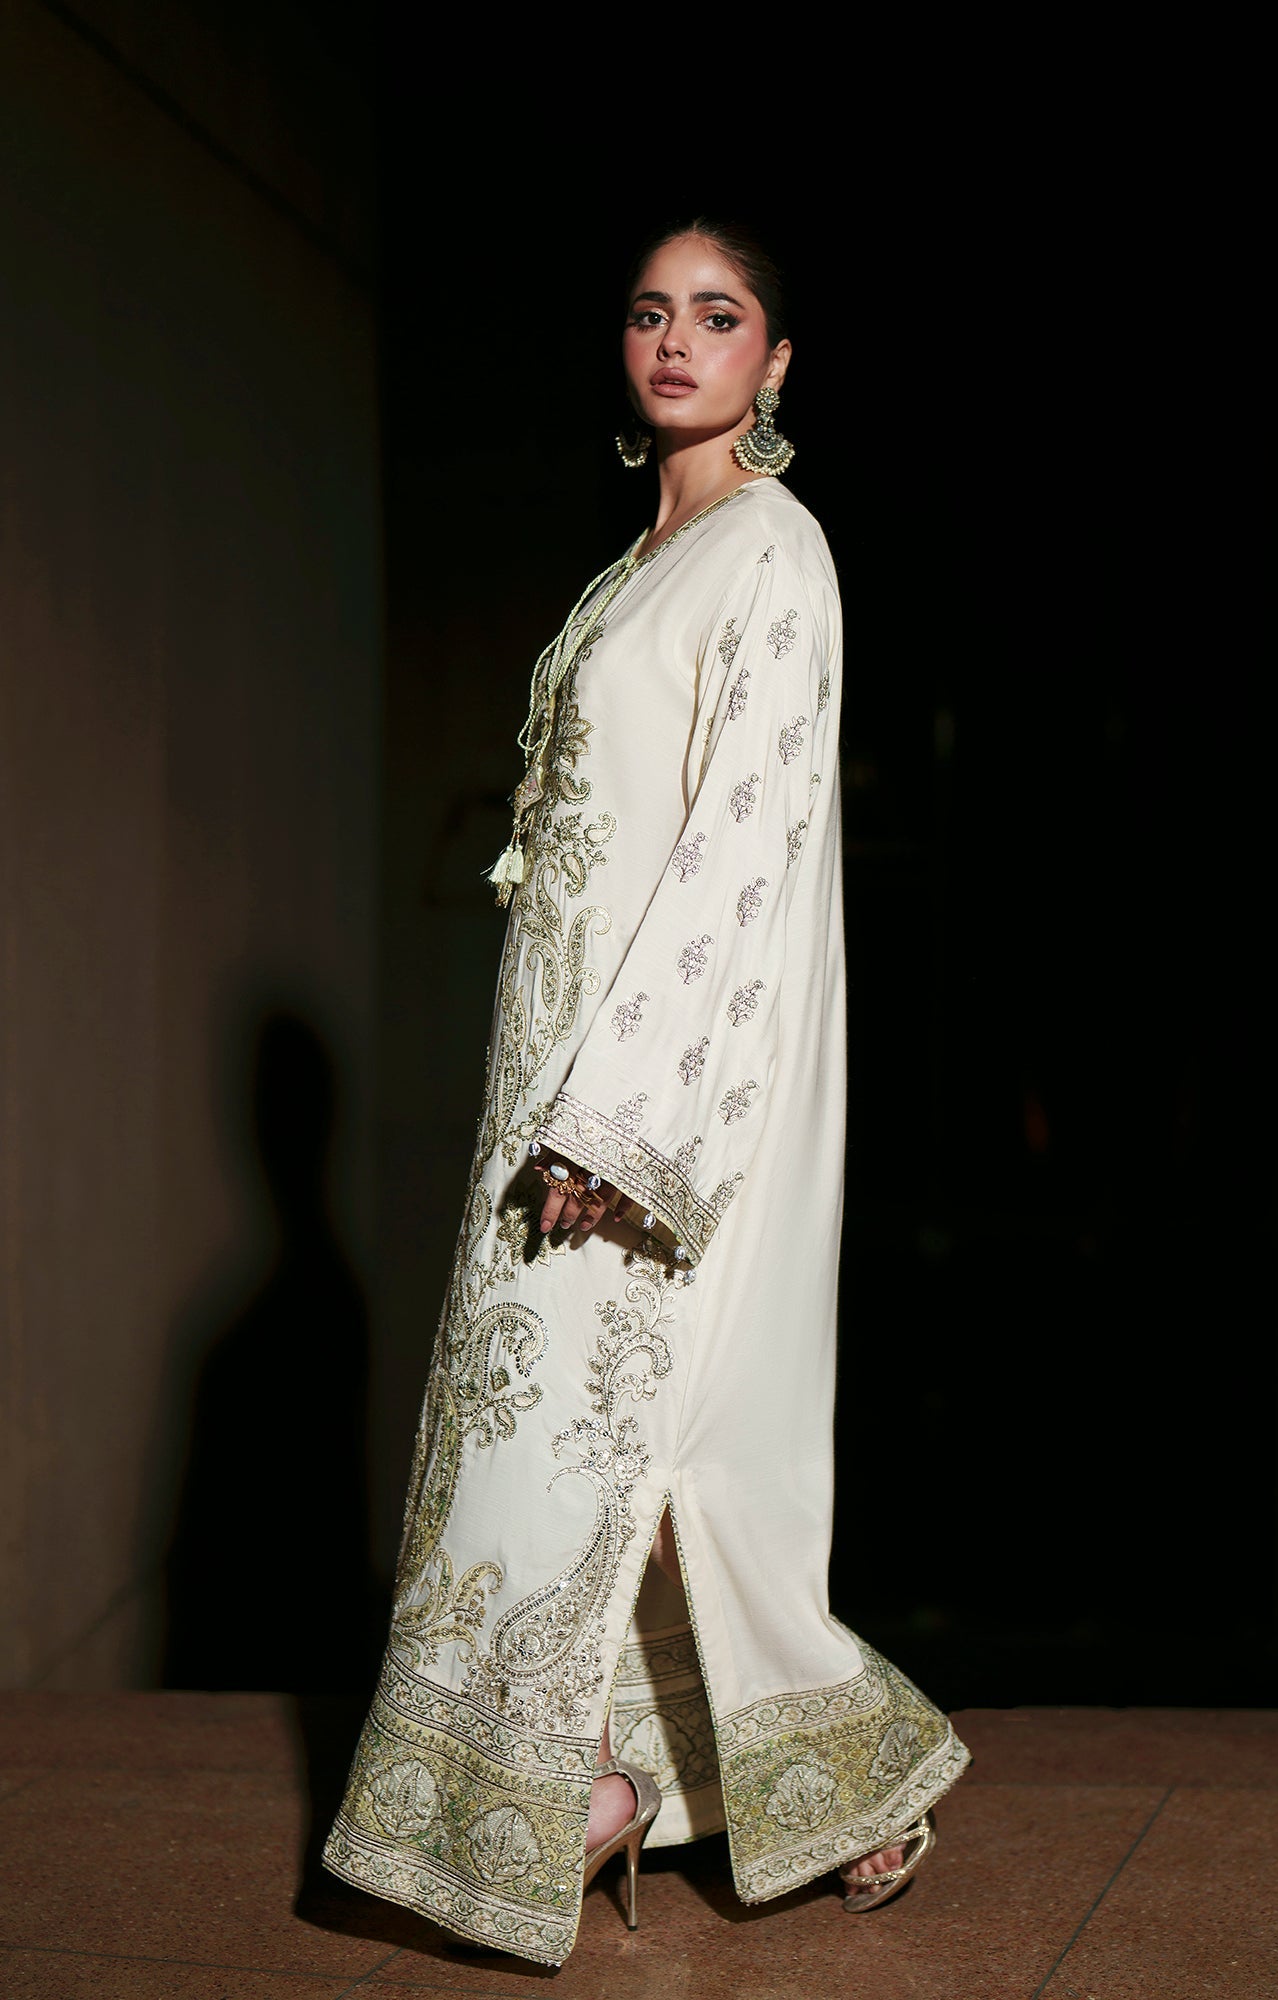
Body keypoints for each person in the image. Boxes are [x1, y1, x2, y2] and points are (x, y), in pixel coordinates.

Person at [323, 218, 970, 1967]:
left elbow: (737, 857)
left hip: (652, 1090)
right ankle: (607, 1780)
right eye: (648, 313)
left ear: (775, 361)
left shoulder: (774, 548)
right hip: (551, 1063)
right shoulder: (636, 565)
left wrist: (623, 1126)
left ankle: (748, 1775)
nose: (676, 340)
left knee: (597, 1432)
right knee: (552, 1437)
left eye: (718, 315)